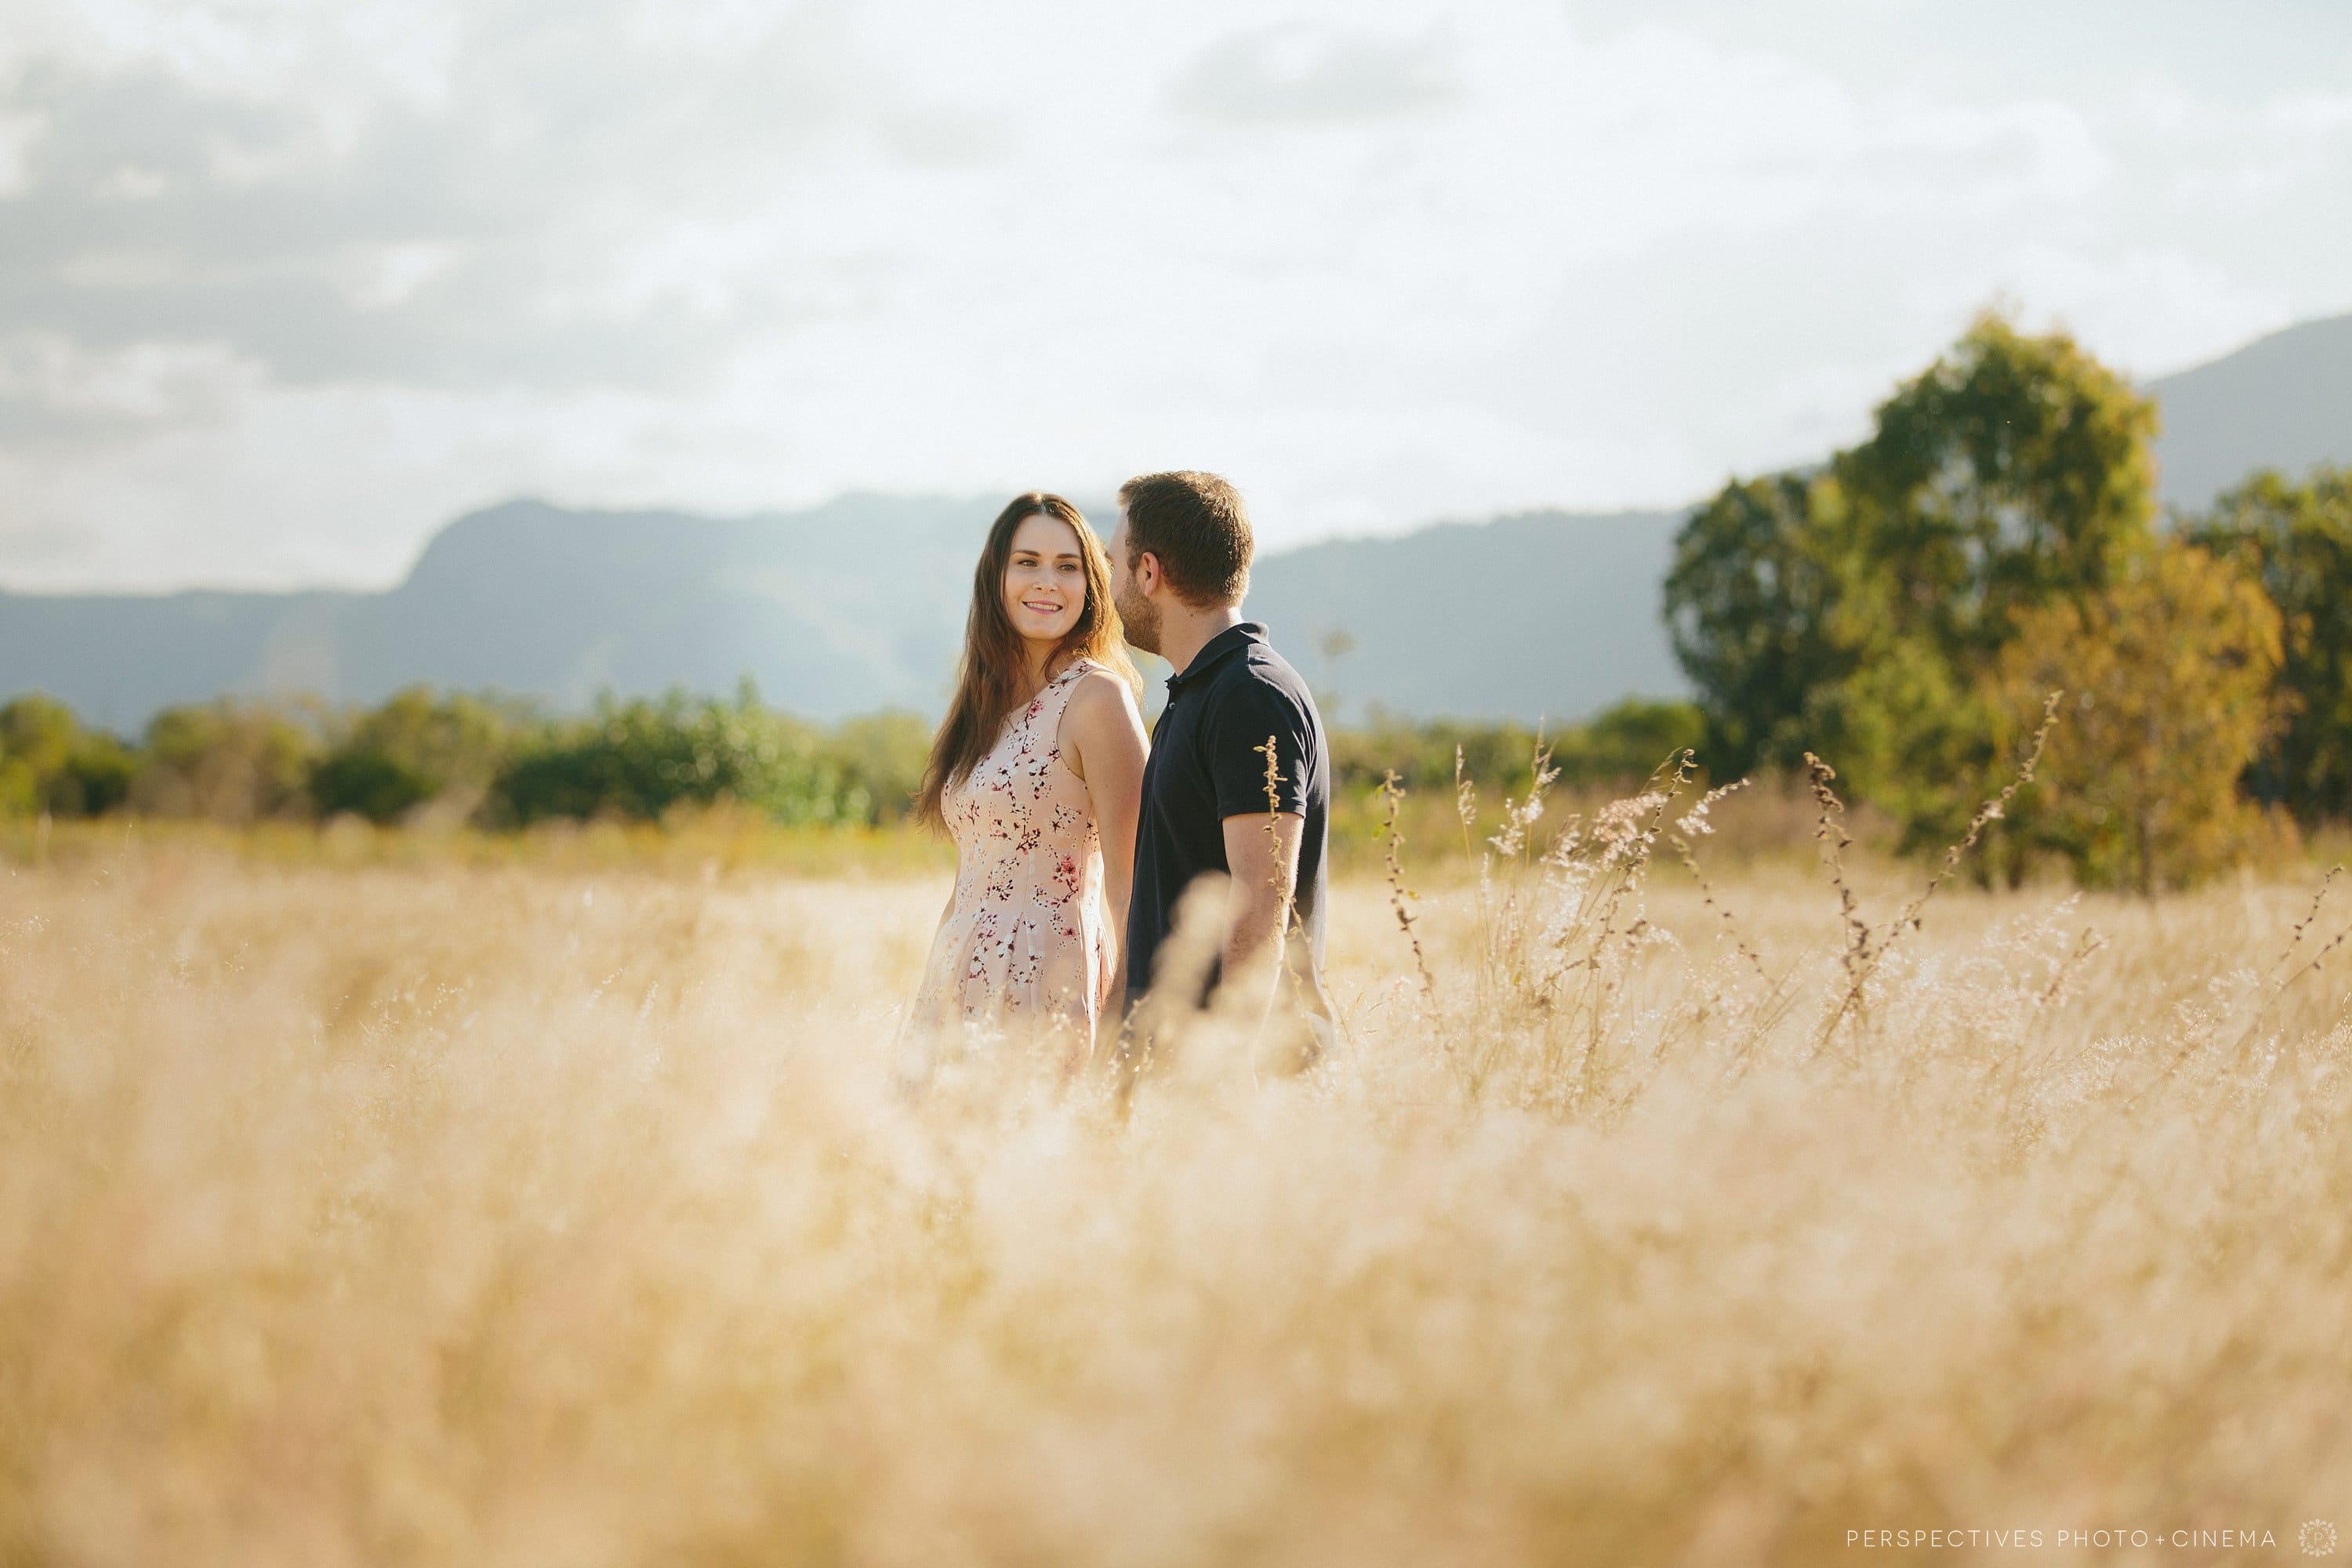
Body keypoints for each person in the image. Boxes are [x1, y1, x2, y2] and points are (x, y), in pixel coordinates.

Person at [900, 493, 1149, 1076]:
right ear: (997, 577)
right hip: (958, 976)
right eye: (1028, 561)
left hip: (1051, 979)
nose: (1048, 582)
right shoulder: (980, 707)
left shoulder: (1097, 699)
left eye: (1068, 567)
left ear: (1091, 584)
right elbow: (968, 878)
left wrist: (1120, 1023)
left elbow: (1133, 885)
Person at [1109, 470, 1333, 1065]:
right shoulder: (1201, 693)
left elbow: (1262, 894)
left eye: (1113, 566)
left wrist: (1227, 1064)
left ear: (1149, 573)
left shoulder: (1250, 696)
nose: (1108, 588)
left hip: (1237, 1076)